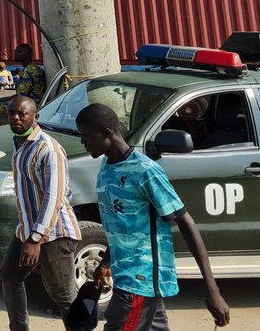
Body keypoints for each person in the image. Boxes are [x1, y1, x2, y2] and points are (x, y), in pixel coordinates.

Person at [76, 103, 230, 330]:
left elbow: (186, 222)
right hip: (126, 277)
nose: (83, 142)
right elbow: (122, 226)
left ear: (106, 133)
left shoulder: (145, 171)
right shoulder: (107, 166)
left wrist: (212, 290)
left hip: (140, 282)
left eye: (86, 136)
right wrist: (106, 262)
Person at [0, 95, 81, 331]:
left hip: (54, 232)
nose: (15, 117)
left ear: (36, 117)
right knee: (10, 275)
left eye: (21, 113)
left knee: (63, 295)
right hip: (27, 229)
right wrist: (27, 233)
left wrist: (35, 239)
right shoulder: (21, 144)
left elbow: (54, 198)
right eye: (11, 113)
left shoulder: (48, 149)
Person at [0, 44, 46, 128]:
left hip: (27, 105)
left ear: (27, 54)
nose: (15, 54)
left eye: (18, 52)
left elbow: (20, 97)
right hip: (34, 102)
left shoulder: (28, 71)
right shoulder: (34, 68)